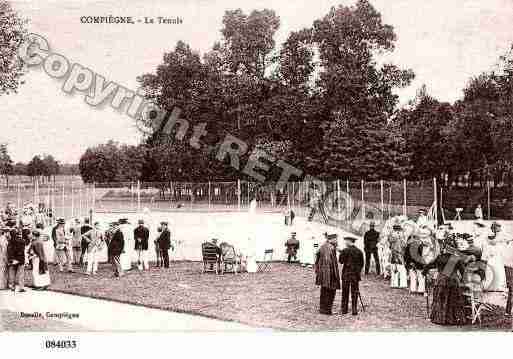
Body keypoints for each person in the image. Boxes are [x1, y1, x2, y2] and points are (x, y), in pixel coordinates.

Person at [422, 236, 477, 326]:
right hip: (453, 282)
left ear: (445, 247)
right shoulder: (456, 258)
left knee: (441, 300)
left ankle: (440, 319)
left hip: (441, 281)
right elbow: (464, 273)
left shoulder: (440, 257)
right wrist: (467, 283)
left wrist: (425, 273)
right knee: (454, 300)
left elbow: (428, 266)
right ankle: (454, 319)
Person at [314, 233, 340, 315]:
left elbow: (316, 256)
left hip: (323, 274)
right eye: (336, 239)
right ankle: (327, 310)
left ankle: (322, 309)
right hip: (330, 274)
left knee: (324, 290)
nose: (337, 241)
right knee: (330, 291)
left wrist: (318, 268)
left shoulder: (323, 246)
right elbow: (329, 262)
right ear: (331, 239)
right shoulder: (330, 248)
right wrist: (334, 274)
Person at [339, 236, 364, 315]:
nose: (345, 243)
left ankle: (344, 309)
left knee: (345, 292)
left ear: (349, 242)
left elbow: (341, 261)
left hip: (346, 274)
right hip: (355, 275)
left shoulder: (345, 250)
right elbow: (361, 264)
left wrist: (341, 254)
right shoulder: (359, 251)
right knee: (355, 292)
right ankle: (354, 309)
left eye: (346, 241)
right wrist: (358, 272)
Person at [7, 228, 26, 292]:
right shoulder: (22, 241)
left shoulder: (9, 242)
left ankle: (12, 286)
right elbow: (22, 250)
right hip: (20, 259)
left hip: (12, 260)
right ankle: (21, 287)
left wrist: (12, 259)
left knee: (12, 274)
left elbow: (9, 251)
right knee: (21, 274)